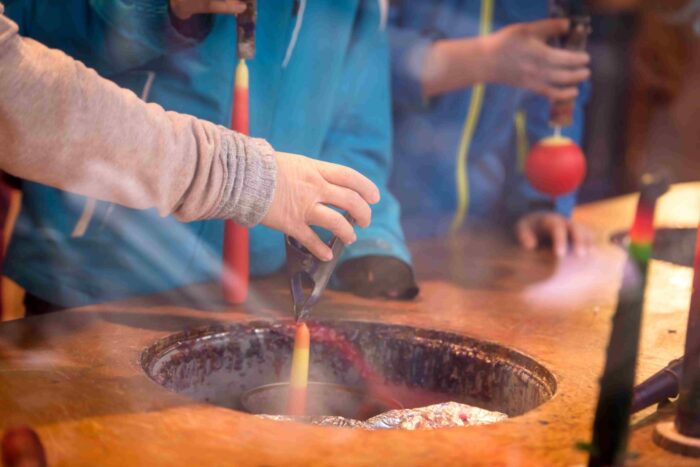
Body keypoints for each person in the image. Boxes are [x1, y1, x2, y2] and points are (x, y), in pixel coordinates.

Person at [2, 0, 417, 313]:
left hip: (263, 282)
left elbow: (355, 125)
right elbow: (28, 42)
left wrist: (368, 238)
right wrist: (161, 9)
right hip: (97, 274)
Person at [389, 0, 593, 256]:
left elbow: (550, 94)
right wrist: (482, 59)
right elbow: (350, 58)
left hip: (480, 245)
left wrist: (541, 203)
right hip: (375, 230)